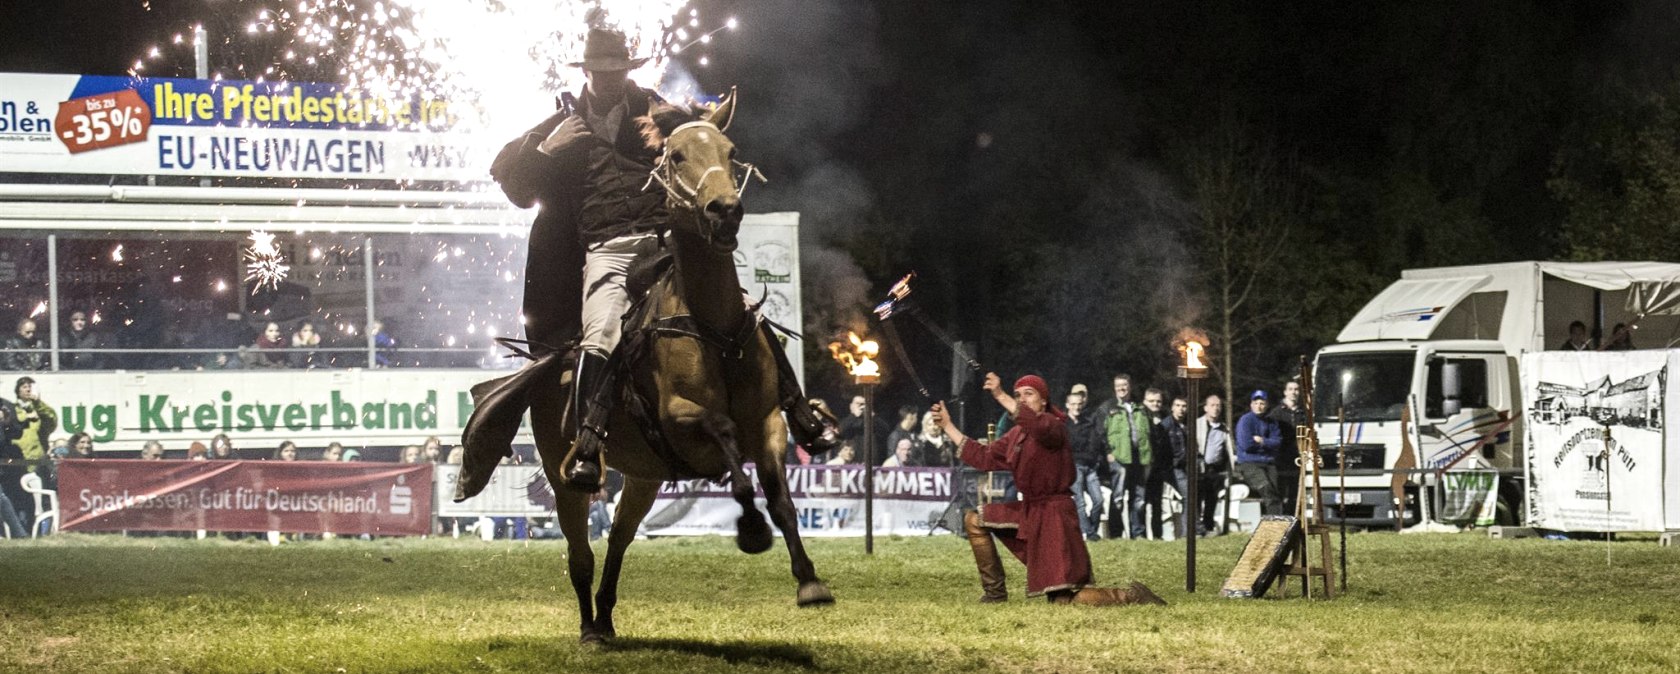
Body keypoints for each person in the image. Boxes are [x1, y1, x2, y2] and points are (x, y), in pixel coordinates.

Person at [486, 28, 829, 489]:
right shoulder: (557, 127)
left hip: (665, 244)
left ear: (628, 71)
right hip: (605, 249)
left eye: (619, 71)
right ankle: (588, 444)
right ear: (586, 72)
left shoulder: (657, 111)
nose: (611, 79)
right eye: (603, 72)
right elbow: (517, 189)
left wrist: (704, 122)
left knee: (742, 310)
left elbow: (700, 136)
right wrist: (548, 150)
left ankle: (799, 410)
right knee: (602, 331)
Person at [933, 372, 1163, 606]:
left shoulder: (1054, 426)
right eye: (1017, 395)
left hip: (1055, 517)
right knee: (974, 519)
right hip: (1030, 511)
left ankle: (1131, 596)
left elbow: (1037, 426)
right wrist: (948, 426)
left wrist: (1000, 394)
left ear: (1043, 401)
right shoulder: (1016, 434)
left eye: (1028, 394)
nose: (1021, 399)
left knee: (1062, 600)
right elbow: (984, 457)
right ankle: (995, 594)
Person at [1106, 377, 1157, 540]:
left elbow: (1151, 433)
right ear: (1114, 388)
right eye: (1118, 386)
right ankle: (1115, 534)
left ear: (1130, 387)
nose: (1122, 388)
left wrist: (1151, 455)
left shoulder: (1140, 408)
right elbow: (1100, 433)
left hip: (1140, 458)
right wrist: (1108, 453)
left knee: (1139, 499)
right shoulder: (1107, 408)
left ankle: (1138, 532)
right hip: (1119, 459)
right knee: (1118, 498)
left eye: (1125, 385)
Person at [1064, 387, 1105, 542]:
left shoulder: (1088, 424)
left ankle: (1091, 529)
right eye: (1073, 404)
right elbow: (1066, 449)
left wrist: (1089, 457)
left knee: (1099, 500)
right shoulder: (1063, 425)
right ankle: (1089, 533)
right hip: (1074, 467)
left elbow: (1094, 446)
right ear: (1067, 405)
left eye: (1079, 404)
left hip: (1089, 466)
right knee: (1079, 501)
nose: (1077, 407)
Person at [1234, 390, 1285, 515]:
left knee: (1276, 492)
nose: (1259, 406)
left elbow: (1278, 442)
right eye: (1256, 403)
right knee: (1267, 490)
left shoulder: (1271, 422)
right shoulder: (1245, 420)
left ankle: (1276, 524)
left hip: (1268, 462)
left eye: (1262, 403)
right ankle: (1273, 525)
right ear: (1251, 404)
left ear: (1266, 405)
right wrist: (1268, 444)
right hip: (1250, 463)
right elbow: (1246, 445)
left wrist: (1261, 441)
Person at [1196, 394, 1233, 536]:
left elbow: (1228, 449)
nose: (1216, 408)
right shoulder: (1197, 424)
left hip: (1215, 469)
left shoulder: (1224, 428)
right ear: (1205, 408)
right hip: (1199, 467)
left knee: (1212, 499)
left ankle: (1209, 526)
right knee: (1197, 500)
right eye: (1212, 405)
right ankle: (1198, 529)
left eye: (1218, 405)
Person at [1268, 378, 1306, 514]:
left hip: (1298, 458)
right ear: (1285, 392)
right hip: (1280, 459)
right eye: (1290, 389)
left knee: (1295, 493)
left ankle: (1293, 519)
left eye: (1296, 389)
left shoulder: (1303, 413)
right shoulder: (1276, 413)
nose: (1293, 392)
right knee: (1280, 492)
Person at [1159, 396, 1193, 539]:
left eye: (1184, 406)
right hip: (1172, 468)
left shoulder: (1184, 426)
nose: (1181, 409)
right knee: (1189, 496)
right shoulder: (1166, 425)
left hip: (1183, 467)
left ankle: (1189, 530)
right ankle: (1188, 532)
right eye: (1178, 405)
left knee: (1190, 496)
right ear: (1172, 407)